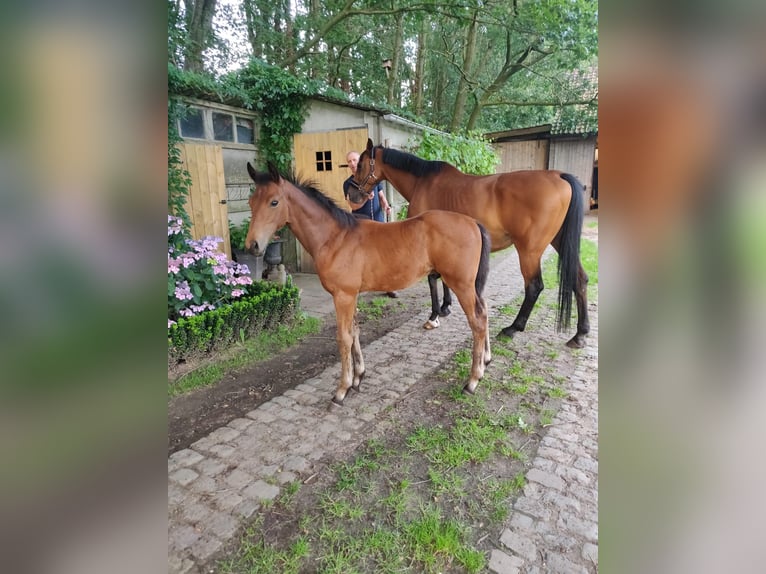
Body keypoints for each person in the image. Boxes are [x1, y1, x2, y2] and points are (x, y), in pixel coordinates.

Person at [343, 150, 397, 298]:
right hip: (360, 223)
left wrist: (386, 206)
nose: (352, 164)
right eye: (349, 161)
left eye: (354, 160)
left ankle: (389, 286)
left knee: (383, 253)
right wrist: (366, 197)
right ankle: (364, 284)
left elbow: (381, 196)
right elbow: (353, 207)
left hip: (377, 220)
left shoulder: (373, 178)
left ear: (360, 161)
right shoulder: (348, 184)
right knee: (362, 255)